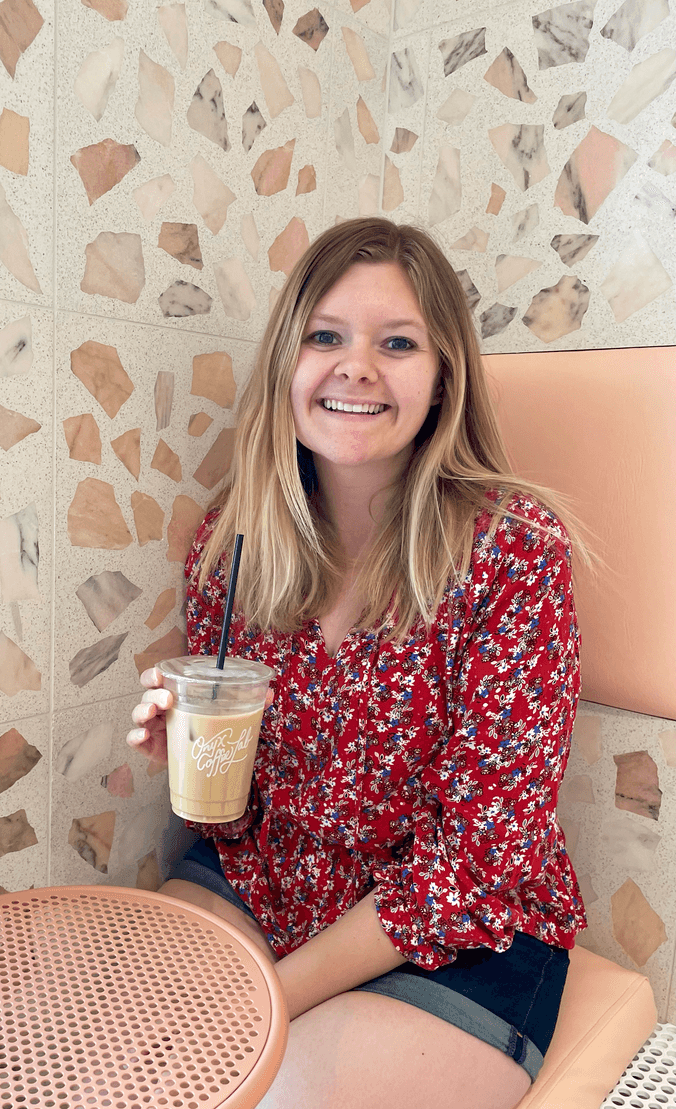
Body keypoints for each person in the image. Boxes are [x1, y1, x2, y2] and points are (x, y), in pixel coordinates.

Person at [127, 217, 589, 1109]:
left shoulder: (513, 553)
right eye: (326, 336)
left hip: (460, 934)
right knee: (135, 1050)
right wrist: (198, 762)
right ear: (286, 367)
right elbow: (238, 819)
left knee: (273, 1095)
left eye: (399, 343)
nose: (357, 366)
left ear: (444, 373)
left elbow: (481, 855)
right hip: (269, 876)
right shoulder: (230, 548)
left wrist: (268, 1003)